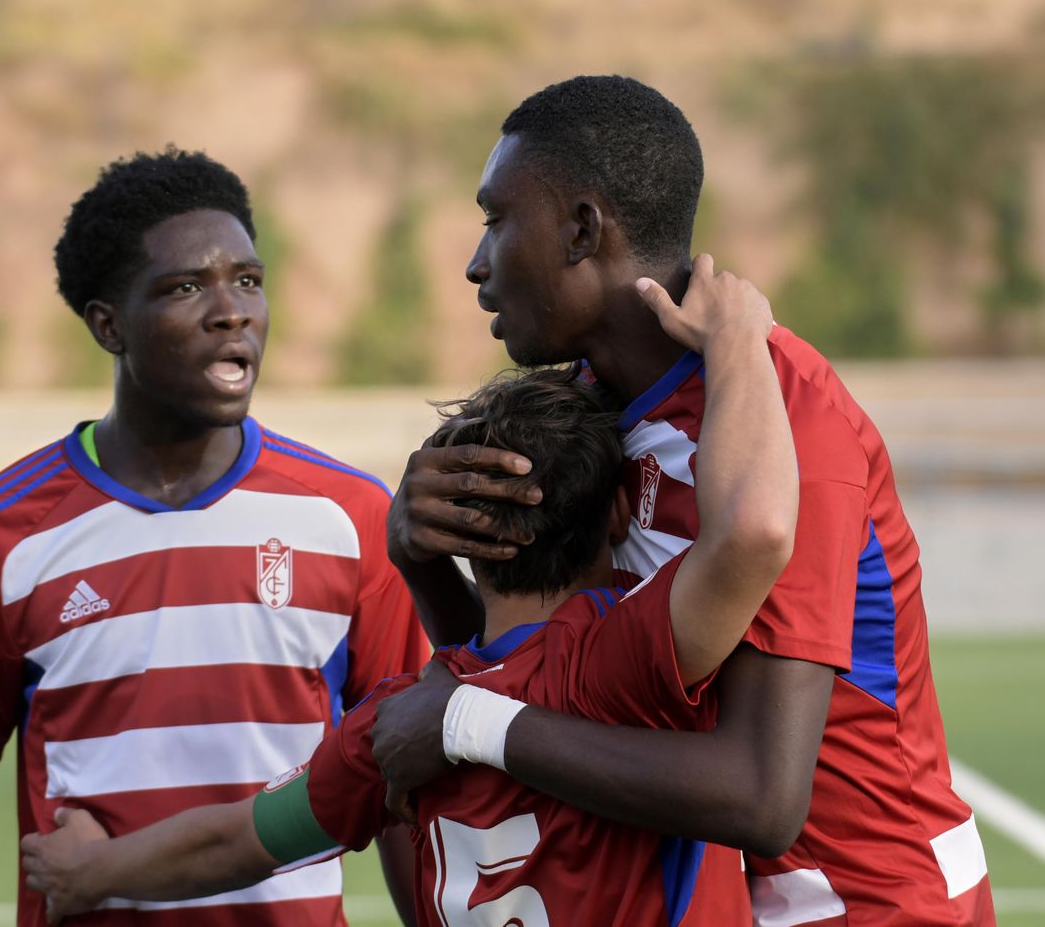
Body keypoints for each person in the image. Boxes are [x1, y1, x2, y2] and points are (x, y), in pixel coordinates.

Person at [376, 75, 996, 927]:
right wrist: (420, 559)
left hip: (871, 907)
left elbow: (762, 797)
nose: (477, 264)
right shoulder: (585, 410)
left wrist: (461, 719)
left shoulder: (787, 419)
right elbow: (536, 679)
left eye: (496, 219)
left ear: (583, 229)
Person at [18, 258, 798, 927]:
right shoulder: (622, 661)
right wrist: (737, 340)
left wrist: (91, 870)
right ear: (622, 513)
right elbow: (755, 533)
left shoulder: (397, 724)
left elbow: (237, 840)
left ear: (452, 531)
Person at [0, 147, 431, 927]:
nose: (232, 311)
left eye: (248, 280)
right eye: (186, 287)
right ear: (108, 324)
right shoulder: (0, 530)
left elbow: (402, 778)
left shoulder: (350, 516)